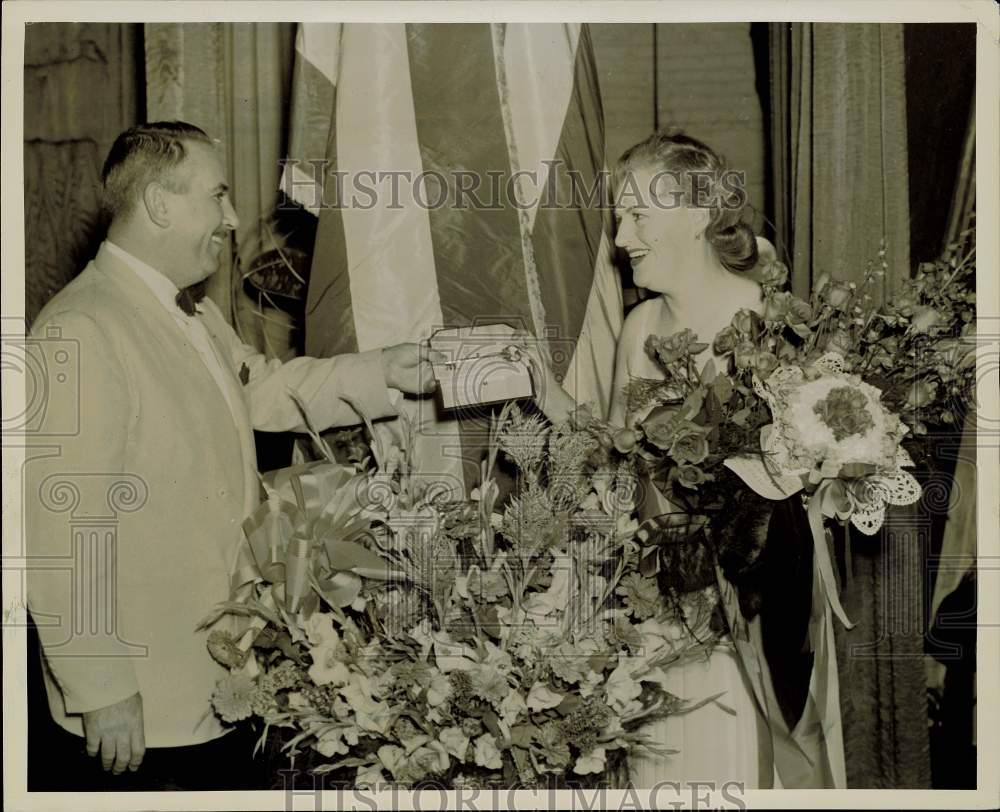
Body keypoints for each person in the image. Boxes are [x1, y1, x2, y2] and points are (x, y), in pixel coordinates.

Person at [24, 121, 442, 790]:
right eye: (216, 196)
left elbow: (268, 391)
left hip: (214, 680)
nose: (233, 217)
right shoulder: (81, 328)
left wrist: (395, 370)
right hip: (141, 704)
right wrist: (99, 685)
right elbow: (63, 526)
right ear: (160, 204)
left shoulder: (189, 314)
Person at [534, 131, 769, 788]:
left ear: (696, 213)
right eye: (620, 215)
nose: (620, 237)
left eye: (638, 213)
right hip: (642, 610)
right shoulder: (639, 328)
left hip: (728, 625)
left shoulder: (761, 321)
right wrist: (539, 388)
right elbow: (614, 463)